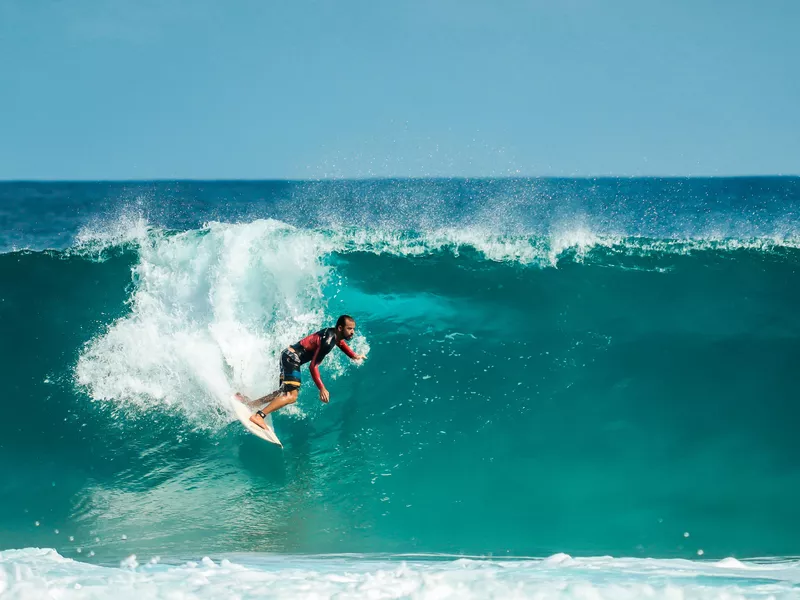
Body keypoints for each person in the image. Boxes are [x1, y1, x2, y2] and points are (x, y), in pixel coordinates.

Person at [236, 315, 366, 430]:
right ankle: (259, 416)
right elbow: (313, 366)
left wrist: (353, 356)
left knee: (282, 393)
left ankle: (252, 404)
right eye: (349, 329)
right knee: (292, 396)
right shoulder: (327, 342)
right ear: (340, 328)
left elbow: (340, 343)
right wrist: (322, 388)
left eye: (353, 329)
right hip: (292, 359)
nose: (352, 332)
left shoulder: (332, 334)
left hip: (287, 355)